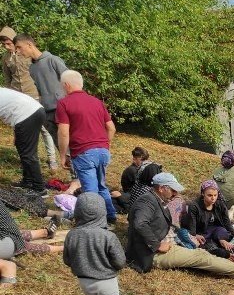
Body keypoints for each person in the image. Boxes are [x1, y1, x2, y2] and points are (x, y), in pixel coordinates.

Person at [126, 172, 234, 279]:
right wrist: (156, 245)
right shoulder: (146, 201)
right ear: (162, 188)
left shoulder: (155, 199)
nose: (175, 193)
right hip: (153, 254)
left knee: (202, 253)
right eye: (172, 190)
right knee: (201, 257)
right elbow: (140, 223)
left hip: (165, 245)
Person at [63, 193, 127, 295]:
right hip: (106, 282)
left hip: (84, 282)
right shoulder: (107, 236)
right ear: (102, 212)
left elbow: (67, 260)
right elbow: (120, 261)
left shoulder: (72, 235)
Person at [55, 70, 117, 223]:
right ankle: (110, 215)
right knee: (102, 185)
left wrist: (63, 155)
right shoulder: (97, 102)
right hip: (103, 151)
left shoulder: (64, 103)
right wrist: (104, 146)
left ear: (66, 85)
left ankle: (95, 222)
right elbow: (112, 128)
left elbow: (63, 132)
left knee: (90, 190)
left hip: (83, 152)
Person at [0, 27, 58, 170]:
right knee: (21, 129)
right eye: (3, 45)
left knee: (44, 128)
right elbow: (8, 79)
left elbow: (39, 72)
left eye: (9, 43)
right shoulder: (5, 58)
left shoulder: (26, 53)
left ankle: (52, 159)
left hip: (34, 94)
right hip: (17, 96)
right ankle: (30, 159)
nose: (7, 47)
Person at [13, 33, 68, 160]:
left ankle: (80, 178)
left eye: (19, 47)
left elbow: (70, 82)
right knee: (61, 146)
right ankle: (74, 177)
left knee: (71, 143)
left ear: (29, 44)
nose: (18, 52)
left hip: (63, 110)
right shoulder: (32, 68)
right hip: (48, 113)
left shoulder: (53, 60)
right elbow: (40, 91)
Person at [0, 200, 62, 288]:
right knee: (18, 240)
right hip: (9, 235)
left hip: (9, 239)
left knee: (19, 243)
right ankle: (45, 232)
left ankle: (64, 247)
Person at [0, 87, 47, 196]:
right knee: (23, 149)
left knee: (28, 153)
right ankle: (28, 181)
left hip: (27, 115)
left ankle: (39, 188)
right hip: (34, 111)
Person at [181, 180, 234, 259]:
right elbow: (192, 227)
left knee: (222, 231)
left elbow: (226, 223)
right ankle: (218, 250)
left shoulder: (220, 204)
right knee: (203, 244)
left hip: (217, 230)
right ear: (203, 194)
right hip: (202, 232)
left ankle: (222, 241)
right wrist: (195, 235)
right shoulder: (194, 206)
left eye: (215, 195)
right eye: (209, 195)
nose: (213, 198)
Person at [111, 146, 149, 214]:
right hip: (130, 194)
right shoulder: (132, 170)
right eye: (142, 160)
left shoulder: (141, 169)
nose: (144, 163)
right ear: (134, 159)